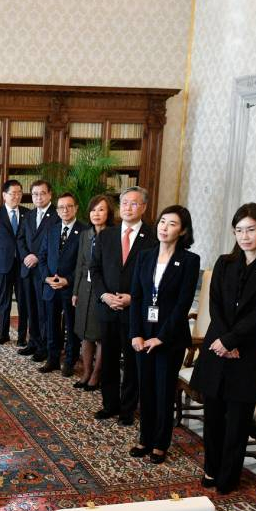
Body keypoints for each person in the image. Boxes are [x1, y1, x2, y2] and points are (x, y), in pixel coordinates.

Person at [190, 203, 256, 493]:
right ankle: (211, 469)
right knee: (214, 416)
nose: (245, 236)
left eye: (251, 229)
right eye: (239, 230)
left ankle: (229, 476)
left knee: (237, 421)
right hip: (217, 347)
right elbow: (215, 304)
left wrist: (231, 341)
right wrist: (222, 341)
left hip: (246, 352)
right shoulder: (224, 263)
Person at [128, 205, 200, 464]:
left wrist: (162, 337)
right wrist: (136, 333)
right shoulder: (144, 256)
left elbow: (183, 304)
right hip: (143, 335)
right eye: (162, 222)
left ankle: (160, 442)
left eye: (171, 224)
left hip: (169, 338)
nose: (164, 227)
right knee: (145, 388)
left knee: (163, 390)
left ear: (182, 231)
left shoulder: (190, 261)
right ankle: (145, 437)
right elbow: (136, 297)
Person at [92, 186, 158, 426]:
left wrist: (133, 297)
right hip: (108, 307)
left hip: (134, 310)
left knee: (132, 362)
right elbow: (95, 269)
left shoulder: (152, 237)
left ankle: (128, 410)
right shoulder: (106, 235)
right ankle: (109, 404)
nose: (129, 208)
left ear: (144, 207)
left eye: (134, 203)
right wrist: (104, 296)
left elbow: (153, 276)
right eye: (125, 203)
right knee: (108, 358)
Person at [38, 193, 87, 375]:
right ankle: (52, 359)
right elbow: (42, 257)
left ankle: (70, 361)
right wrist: (46, 278)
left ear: (75, 208)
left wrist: (68, 280)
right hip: (51, 287)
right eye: (61, 207)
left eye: (69, 206)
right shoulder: (51, 230)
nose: (65, 210)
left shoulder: (84, 231)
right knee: (52, 325)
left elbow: (85, 263)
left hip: (71, 288)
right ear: (57, 210)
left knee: (71, 326)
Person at [71, 194, 115, 390]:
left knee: (100, 335)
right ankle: (86, 371)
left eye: (101, 209)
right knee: (85, 333)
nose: (96, 214)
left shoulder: (114, 235)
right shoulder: (85, 235)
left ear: (109, 212)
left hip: (103, 291)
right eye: (93, 210)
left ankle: (97, 373)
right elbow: (80, 265)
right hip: (84, 290)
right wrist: (75, 291)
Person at [16, 180, 60, 361]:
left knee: (43, 311)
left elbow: (53, 244)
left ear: (50, 194)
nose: (38, 197)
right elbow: (20, 238)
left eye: (42, 193)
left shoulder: (56, 216)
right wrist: (26, 255)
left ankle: (44, 347)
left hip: (43, 270)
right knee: (29, 308)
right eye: (35, 194)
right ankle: (33, 342)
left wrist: (36, 257)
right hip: (27, 269)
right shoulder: (28, 215)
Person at [0, 179, 28, 345]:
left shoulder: (27, 213)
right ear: (4, 195)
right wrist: (2, 253)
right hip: (4, 264)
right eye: (12, 193)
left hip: (23, 264)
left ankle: (22, 336)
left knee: (23, 301)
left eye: (19, 193)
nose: (16, 196)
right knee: (5, 300)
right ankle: (4, 333)